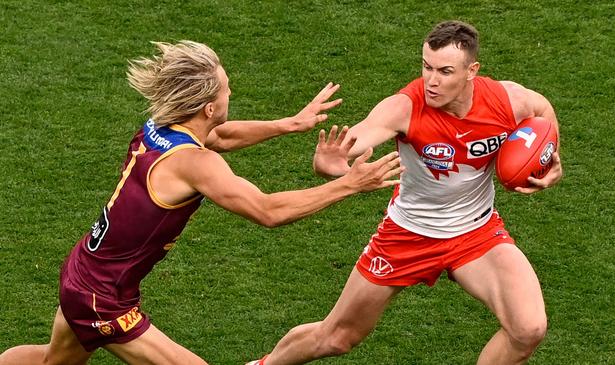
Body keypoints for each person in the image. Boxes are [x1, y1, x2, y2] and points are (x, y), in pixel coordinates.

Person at [0, 40, 403, 365]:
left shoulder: (162, 126)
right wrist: (348, 184)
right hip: (103, 300)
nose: (231, 92)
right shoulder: (194, 163)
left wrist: (288, 125)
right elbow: (267, 211)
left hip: (83, 271)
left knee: (54, 362)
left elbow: (222, 137)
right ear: (210, 107)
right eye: (226, 88)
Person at [247, 20, 563, 365]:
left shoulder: (509, 101)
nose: (432, 80)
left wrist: (550, 160)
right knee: (336, 337)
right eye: (427, 67)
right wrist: (330, 163)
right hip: (407, 235)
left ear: (472, 71)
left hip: (477, 233)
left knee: (528, 329)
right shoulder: (404, 107)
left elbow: (542, 112)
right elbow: (354, 144)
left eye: (444, 71)